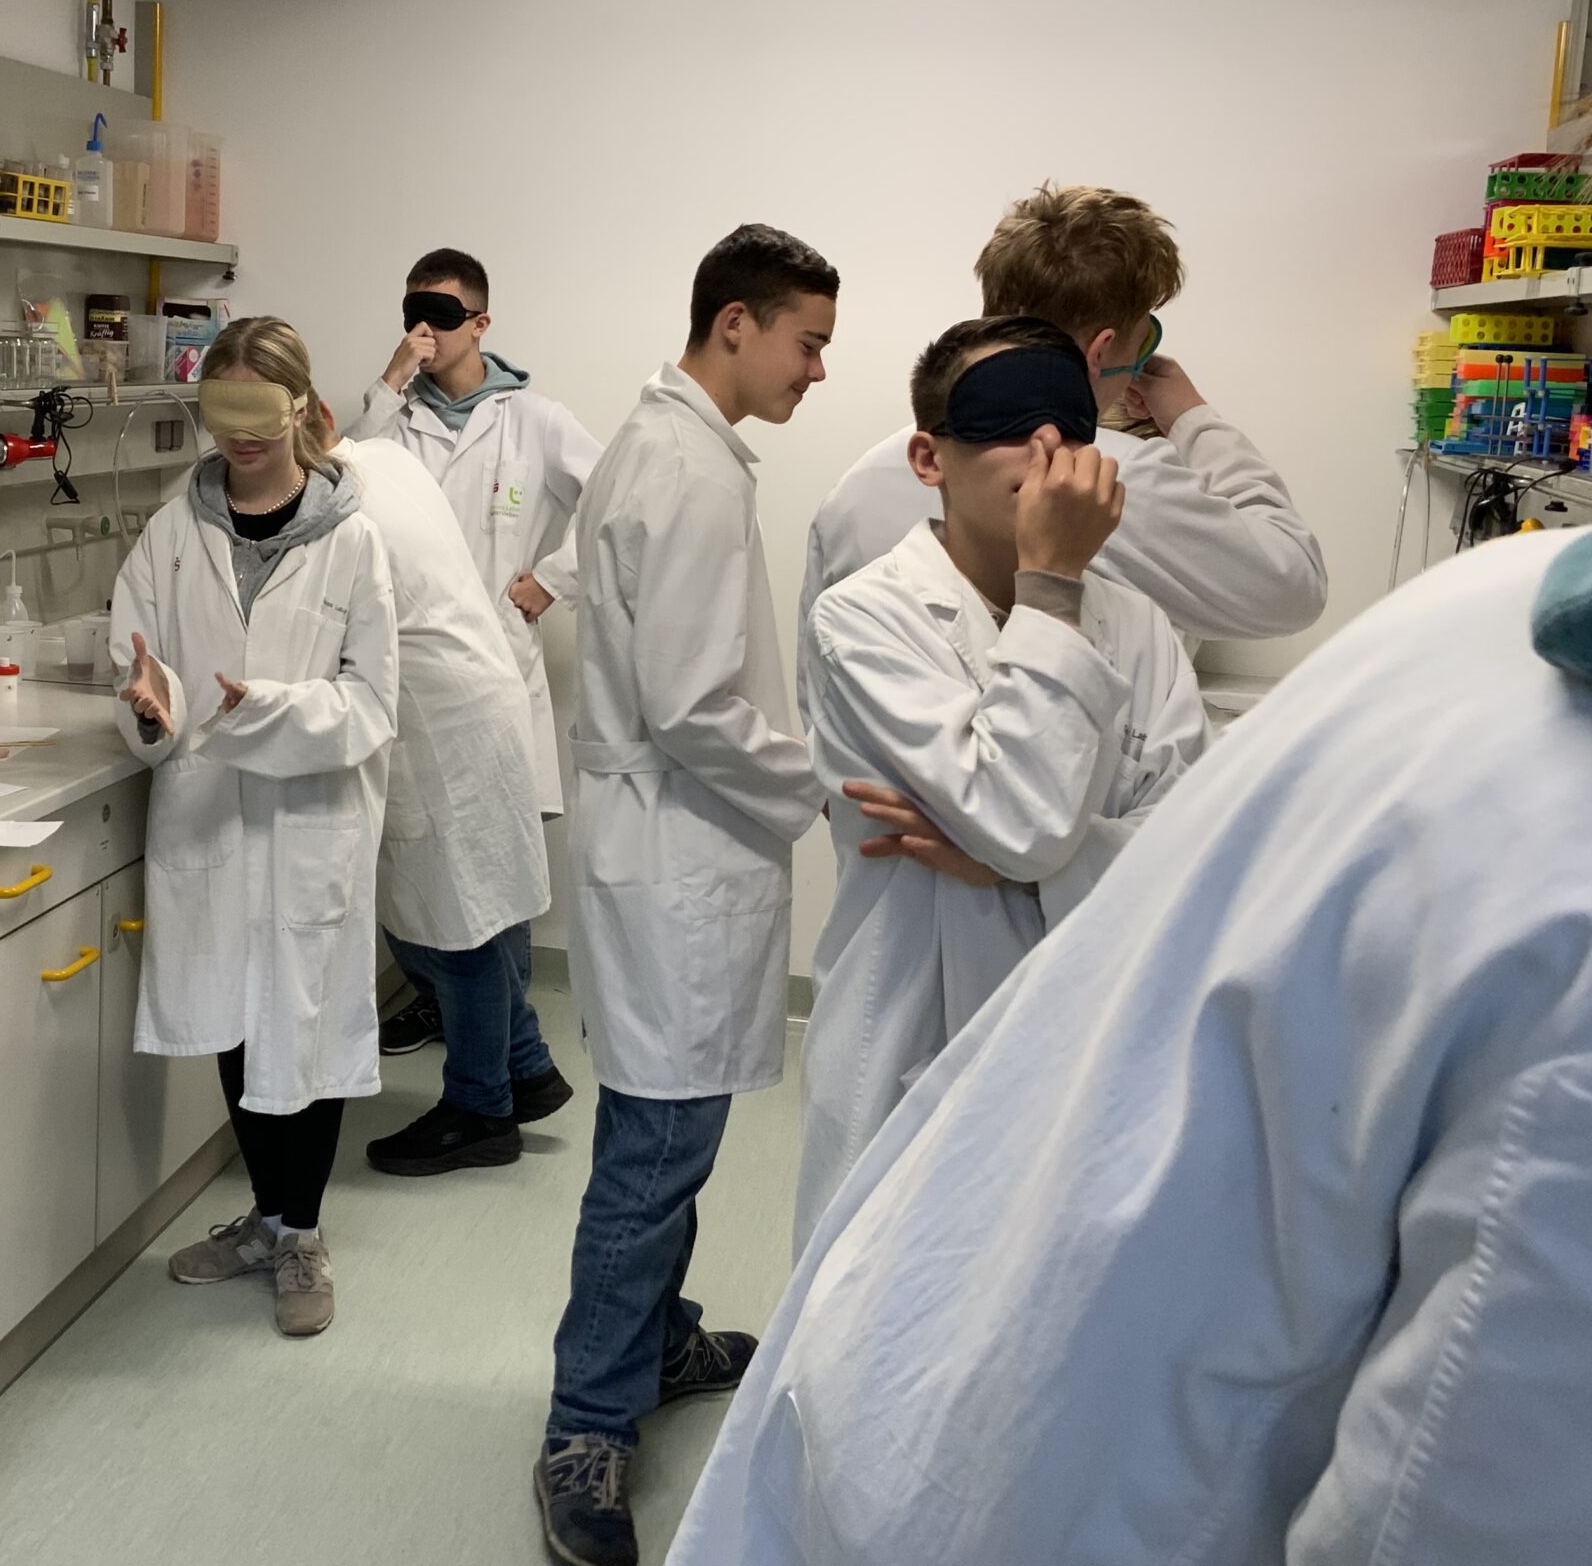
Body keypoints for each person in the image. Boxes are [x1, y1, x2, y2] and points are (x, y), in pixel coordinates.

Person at [672, 443, 1592, 1566]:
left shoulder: (1508, 586)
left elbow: (1100, 815)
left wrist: (1031, 842)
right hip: (1067, 1471)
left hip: (951, 1364)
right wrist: (1034, 816)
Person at [536, 224, 840, 1566]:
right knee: (653, 1156)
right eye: (807, 343)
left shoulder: (677, 448)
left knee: (675, 1137)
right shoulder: (684, 467)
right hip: (674, 857)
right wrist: (817, 781)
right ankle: (586, 1426)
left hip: (667, 849)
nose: (817, 370)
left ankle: (655, 1342)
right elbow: (695, 706)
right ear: (735, 325)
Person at [793, 316, 1208, 1253]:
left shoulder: (1140, 626)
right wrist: (1050, 583)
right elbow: (1025, 818)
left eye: (1069, 421)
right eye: (1011, 421)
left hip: (1085, 1042)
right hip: (911, 1038)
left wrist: (1025, 867)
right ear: (928, 458)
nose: (1048, 444)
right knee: (883, 1306)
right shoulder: (864, 619)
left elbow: (1190, 846)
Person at [108, 317, 399, 1339]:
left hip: (310, 818)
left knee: (305, 1026)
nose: (238, 433)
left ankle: (303, 1235)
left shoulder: (352, 540)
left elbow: (372, 702)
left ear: (299, 408)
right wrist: (153, 709)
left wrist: (266, 711)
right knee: (232, 1018)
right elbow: (140, 661)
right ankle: (267, 1221)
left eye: (257, 409)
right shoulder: (170, 533)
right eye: (220, 409)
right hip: (207, 814)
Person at [801, 183, 1326, 658]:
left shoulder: (858, 486)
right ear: (1101, 351)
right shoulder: (1116, 477)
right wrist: (1192, 418)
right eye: (1143, 337)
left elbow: (821, 689)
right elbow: (1293, 586)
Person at [347, 248, 599, 1084]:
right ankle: (451, 1007)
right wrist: (391, 380)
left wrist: (552, 580)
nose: (427, 328)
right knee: (410, 854)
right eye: (414, 313)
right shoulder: (393, 419)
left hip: (493, 664)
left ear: (482, 323)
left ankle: (502, 1040)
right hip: (405, 670)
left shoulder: (536, 421)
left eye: (445, 314)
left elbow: (616, 500)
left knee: (497, 861)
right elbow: (340, 482)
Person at [316, 413, 561, 1176]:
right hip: (483, 699)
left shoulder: (336, 511)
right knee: (489, 909)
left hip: (439, 729)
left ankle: (481, 1110)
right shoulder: (384, 456)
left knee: (452, 932)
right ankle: (525, 1067)